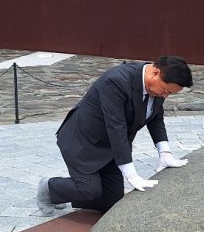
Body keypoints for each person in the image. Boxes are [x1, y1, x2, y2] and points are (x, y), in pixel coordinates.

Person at [36, 56, 193, 214]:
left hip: (109, 146)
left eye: (170, 94)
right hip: (83, 141)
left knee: (112, 200)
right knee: (90, 190)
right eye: (166, 91)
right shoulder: (116, 81)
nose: (165, 96)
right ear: (155, 73)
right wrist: (131, 175)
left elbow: (156, 118)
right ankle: (49, 187)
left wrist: (165, 153)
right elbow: (115, 126)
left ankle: (64, 194)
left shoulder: (155, 90)